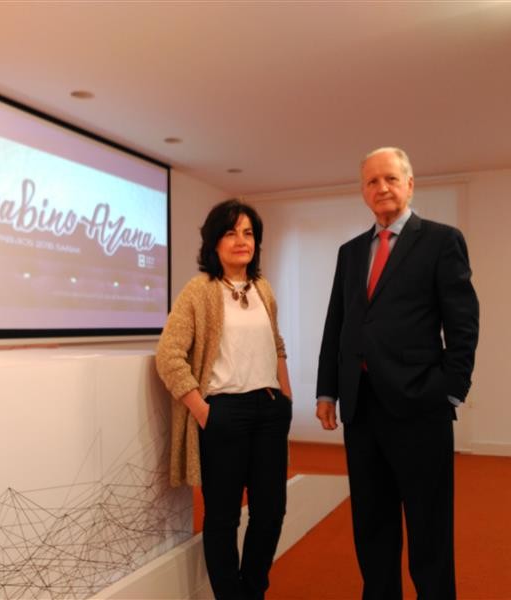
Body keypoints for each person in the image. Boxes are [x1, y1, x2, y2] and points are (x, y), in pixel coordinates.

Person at [316, 147, 479, 600]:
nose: (381, 188)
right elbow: (339, 323)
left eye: (389, 178)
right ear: (363, 192)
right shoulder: (350, 253)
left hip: (420, 407)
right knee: (371, 523)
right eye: (371, 181)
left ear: (410, 184)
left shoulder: (442, 241)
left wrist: (450, 391)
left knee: (428, 526)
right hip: (361, 408)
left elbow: (463, 323)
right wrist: (328, 390)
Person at [156, 199, 293, 600]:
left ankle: (252, 591)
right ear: (213, 243)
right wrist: (203, 411)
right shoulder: (199, 291)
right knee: (223, 518)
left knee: (270, 514)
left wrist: (285, 396)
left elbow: (277, 344)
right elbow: (169, 355)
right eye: (231, 232)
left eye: (248, 233)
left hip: (269, 412)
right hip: (224, 415)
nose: (241, 240)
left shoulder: (263, 289)